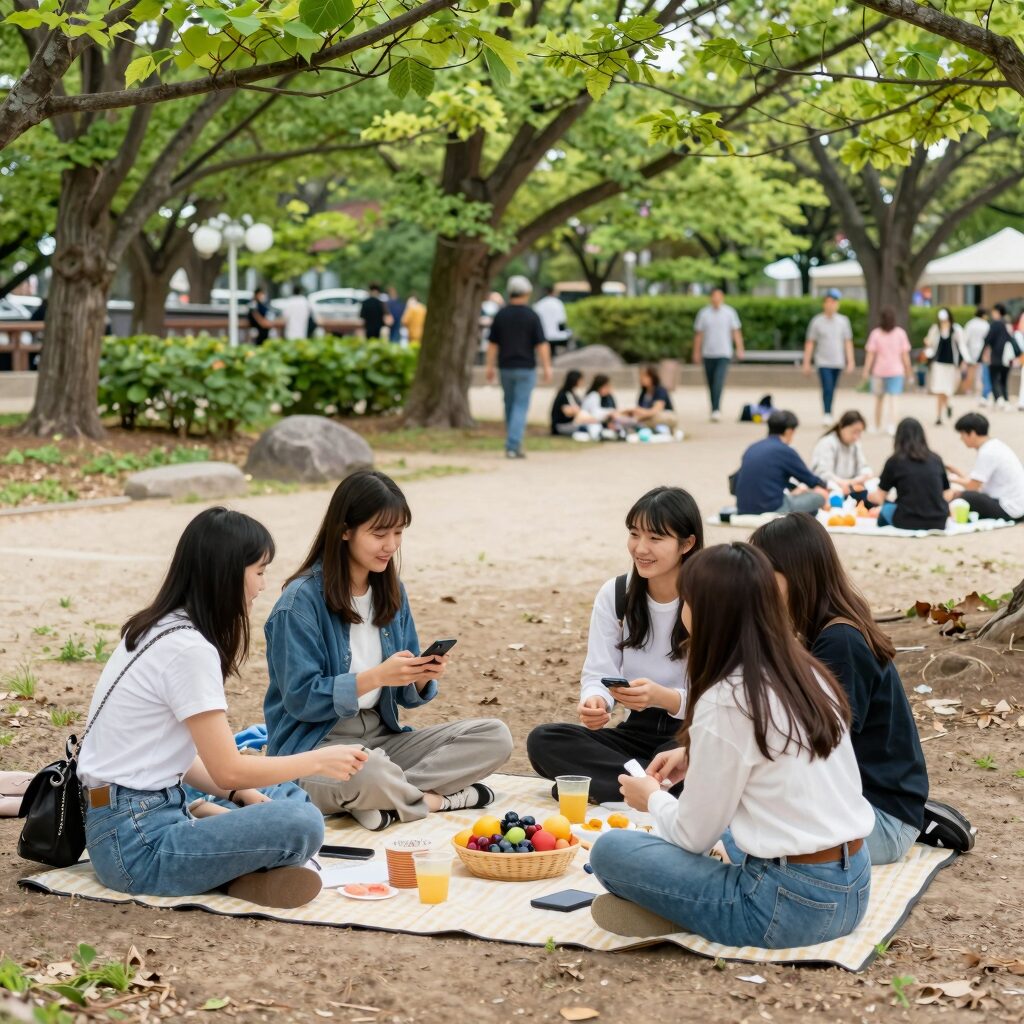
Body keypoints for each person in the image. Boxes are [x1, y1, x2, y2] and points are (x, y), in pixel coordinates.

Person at [77, 508, 368, 908]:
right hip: (137, 847)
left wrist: (244, 794)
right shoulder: (189, 649)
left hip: (122, 821)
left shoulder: (154, 627)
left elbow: (181, 758)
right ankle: (235, 871)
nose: (263, 586)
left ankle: (236, 872)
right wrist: (316, 761)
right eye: (260, 571)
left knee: (275, 793)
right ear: (228, 574)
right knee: (301, 822)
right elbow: (227, 768)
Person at [587, 543, 873, 944]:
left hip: (783, 904)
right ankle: (685, 904)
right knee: (727, 836)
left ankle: (682, 908)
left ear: (703, 611)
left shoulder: (727, 698)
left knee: (611, 851)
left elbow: (691, 836)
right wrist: (695, 755)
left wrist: (651, 797)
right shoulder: (808, 671)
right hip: (855, 885)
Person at [263, 470, 513, 831]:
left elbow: (405, 697)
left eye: (398, 533)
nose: (391, 545)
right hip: (316, 747)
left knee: (493, 736)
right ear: (344, 530)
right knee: (368, 771)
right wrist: (375, 677)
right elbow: (301, 699)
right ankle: (436, 800)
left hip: (381, 738)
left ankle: (382, 801)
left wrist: (420, 678)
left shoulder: (390, 590)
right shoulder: (299, 604)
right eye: (379, 533)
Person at [750, 514, 928, 864]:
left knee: (740, 832)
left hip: (882, 820)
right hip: (865, 809)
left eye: (762, 571)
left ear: (795, 572)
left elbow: (817, 745)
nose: (754, 584)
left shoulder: (840, 642)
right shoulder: (827, 631)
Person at [527, 487, 702, 803]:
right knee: (544, 741)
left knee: (697, 758)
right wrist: (597, 701)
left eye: (656, 538)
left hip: (688, 734)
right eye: (634, 534)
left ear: (686, 544)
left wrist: (664, 697)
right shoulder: (617, 593)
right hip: (633, 733)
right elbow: (598, 671)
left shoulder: (707, 598)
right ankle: (658, 787)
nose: (641, 548)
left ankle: (612, 785)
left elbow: (724, 696)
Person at [485, 275, 553, 459]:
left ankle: (512, 443)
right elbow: (542, 344)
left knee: (509, 405)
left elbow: (492, 344)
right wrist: (547, 366)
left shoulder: (501, 315)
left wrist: (489, 367)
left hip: (505, 367)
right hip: (526, 367)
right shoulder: (532, 315)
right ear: (527, 293)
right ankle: (513, 445)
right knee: (520, 406)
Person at [734, 410, 828, 515]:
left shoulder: (752, 447)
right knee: (819, 497)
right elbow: (810, 479)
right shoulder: (784, 450)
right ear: (789, 431)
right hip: (772, 507)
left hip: (742, 507)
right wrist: (826, 487)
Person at [867, 418, 949, 530]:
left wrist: (868, 495)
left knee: (885, 510)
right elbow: (946, 493)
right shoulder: (936, 459)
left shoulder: (894, 461)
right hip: (938, 521)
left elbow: (880, 497)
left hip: (906, 520)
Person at [947, 413, 1024, 521]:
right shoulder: (994, 445)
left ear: (972, 433)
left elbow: (973, 486)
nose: (961, 439)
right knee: (962, 493)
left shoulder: (987, 452)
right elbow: (976, 481)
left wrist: (952, 479)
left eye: (962, 434)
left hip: (1009, 508)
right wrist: (958, 473)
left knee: (962, 496)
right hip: (1017, 505)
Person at [802, 289, 854, 425]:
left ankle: (829, 410)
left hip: (838, 361)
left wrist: (850, 361)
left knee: (833, 388)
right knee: (827, 387)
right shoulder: (817, 322)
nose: (831, 305)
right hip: (823, 361)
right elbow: (810, 343)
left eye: (833, 302)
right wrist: (806, 362)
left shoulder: (843, 321)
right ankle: (827, 412)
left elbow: (847, 342)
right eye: (828, 302)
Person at [692, 288, 744, 422]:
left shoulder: (729, 312)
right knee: (710, 382)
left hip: (723, 352)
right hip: (708, 353)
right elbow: (699, 334)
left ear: (722, 297)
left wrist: (739, 348)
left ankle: (716, 409)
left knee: (718, 381)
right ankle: (714, 407)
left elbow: (735, 331)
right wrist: (696, 352)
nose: (716, 299)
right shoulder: (704, 314)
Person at [862, 306, 911, 433]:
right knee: (894, 399)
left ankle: (877, 425)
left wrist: (866, 370)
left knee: (878, 400)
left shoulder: (876, 334)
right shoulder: (900, 333)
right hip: (896, 371)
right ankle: (892, 425)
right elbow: (905, 355)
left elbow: (870, 354)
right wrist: (908, 370)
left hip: (879, 371)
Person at [810, 410, 872, 499]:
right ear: (842, 427)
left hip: (850, 487)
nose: (856, 436)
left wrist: (864, 476)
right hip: (831, 489)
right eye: (854, 432)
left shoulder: (855, 444)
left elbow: (864, 467)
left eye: (859, 432)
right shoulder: (828, 443)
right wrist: (844, 482)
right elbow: (822, 473)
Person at [924, 308, 966, 425]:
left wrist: (964, 361)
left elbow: (961, 346)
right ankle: (939, 415)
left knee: (946, 389)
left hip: (951, 364)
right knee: (938, 389)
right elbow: (930, 342)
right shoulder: (935, 329)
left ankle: (947, 405)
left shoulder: (956, 329)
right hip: (938, 363)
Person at [982, 303, 1021, 409]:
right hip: (1007, 357)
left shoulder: (995, 324)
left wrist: (983, 354)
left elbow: (987, 339)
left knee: (994, 378)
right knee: (1004, 380)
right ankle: (1006, 399)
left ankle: (999, 398)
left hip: (996, 356)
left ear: (997, 312)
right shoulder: (1008, 324)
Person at [625, 365, 677, 430]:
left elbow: (656, 410)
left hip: (662, 417)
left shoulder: (660, 390)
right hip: (647, 418)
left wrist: (639, 414)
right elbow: (639, 409)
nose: (641, 378)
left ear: (652, 377)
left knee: (655, 417)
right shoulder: (643, 392)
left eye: (644, 376)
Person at [549, 369, 599, 436]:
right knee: (586, 429)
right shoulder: (564, 394)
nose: (582, 382)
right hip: (561, 426)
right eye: (581, 380)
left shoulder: (573, 393)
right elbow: (568, 411)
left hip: (571, 424)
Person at [962, 307, 989, 401]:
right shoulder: (985, 324)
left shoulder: (970, 324)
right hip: (982, 351)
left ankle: (968, 390)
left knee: (971, 372)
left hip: (971, 351)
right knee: (981, 373)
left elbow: (965, 339)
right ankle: (979, 391)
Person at [533, 285, 570, 352]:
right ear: (553, 292)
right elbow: (562, 320)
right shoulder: (558, 303)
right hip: (557, 336)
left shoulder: (539, 304)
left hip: (543, 335)